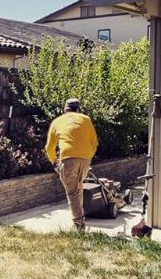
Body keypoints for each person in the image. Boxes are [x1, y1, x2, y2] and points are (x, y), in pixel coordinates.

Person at [45, 98, 98, 231]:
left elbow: (49, 147)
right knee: (78, 189)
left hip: (68, 159)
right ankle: (80, 219)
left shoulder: (57, 121)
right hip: (85, 159)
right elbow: (94, 142)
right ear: (78, 109)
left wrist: (54, 161)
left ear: (64, 109)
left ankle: (78, 225)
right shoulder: (86, 119)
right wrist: (88, 157)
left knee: (73, 193)